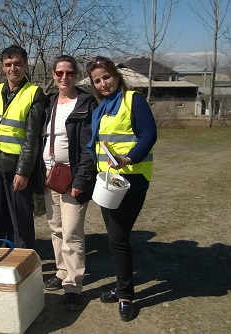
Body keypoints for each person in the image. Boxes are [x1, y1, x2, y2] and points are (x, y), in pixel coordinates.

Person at [86, 56, 157, 321]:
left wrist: (129, 159)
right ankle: (121, 288)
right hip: (108, 181)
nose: (103, 83)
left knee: (117, 237)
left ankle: (125, 295)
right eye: (97, 80)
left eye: (106, 77)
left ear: (116, 76)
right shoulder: (102, 107)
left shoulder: (132, 100)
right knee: (116, 238)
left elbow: (149, 135)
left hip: (133, 178)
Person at [41, 55, 97, 311]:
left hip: (73, 178)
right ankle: (62, 271)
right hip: (50, 176)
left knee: (72, 233)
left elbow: (89, 146)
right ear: (53, 75)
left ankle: (73, 285)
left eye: (69, 73)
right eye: (59, 73)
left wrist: (82, 178)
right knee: (56, 229)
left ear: (76, 75)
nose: (64, 77)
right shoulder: (50, 101)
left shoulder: (85, 102)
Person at [0, 45, 47, 249]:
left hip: (17, 168)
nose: (12, 68)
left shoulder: (34, 93)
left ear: (25, 65)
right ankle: (1, 259)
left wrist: (23, 172)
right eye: (8, 64)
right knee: (0, 217)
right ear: (3, 66)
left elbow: (32, 138)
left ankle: (24, 264)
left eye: (17, 64)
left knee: (21, 220)